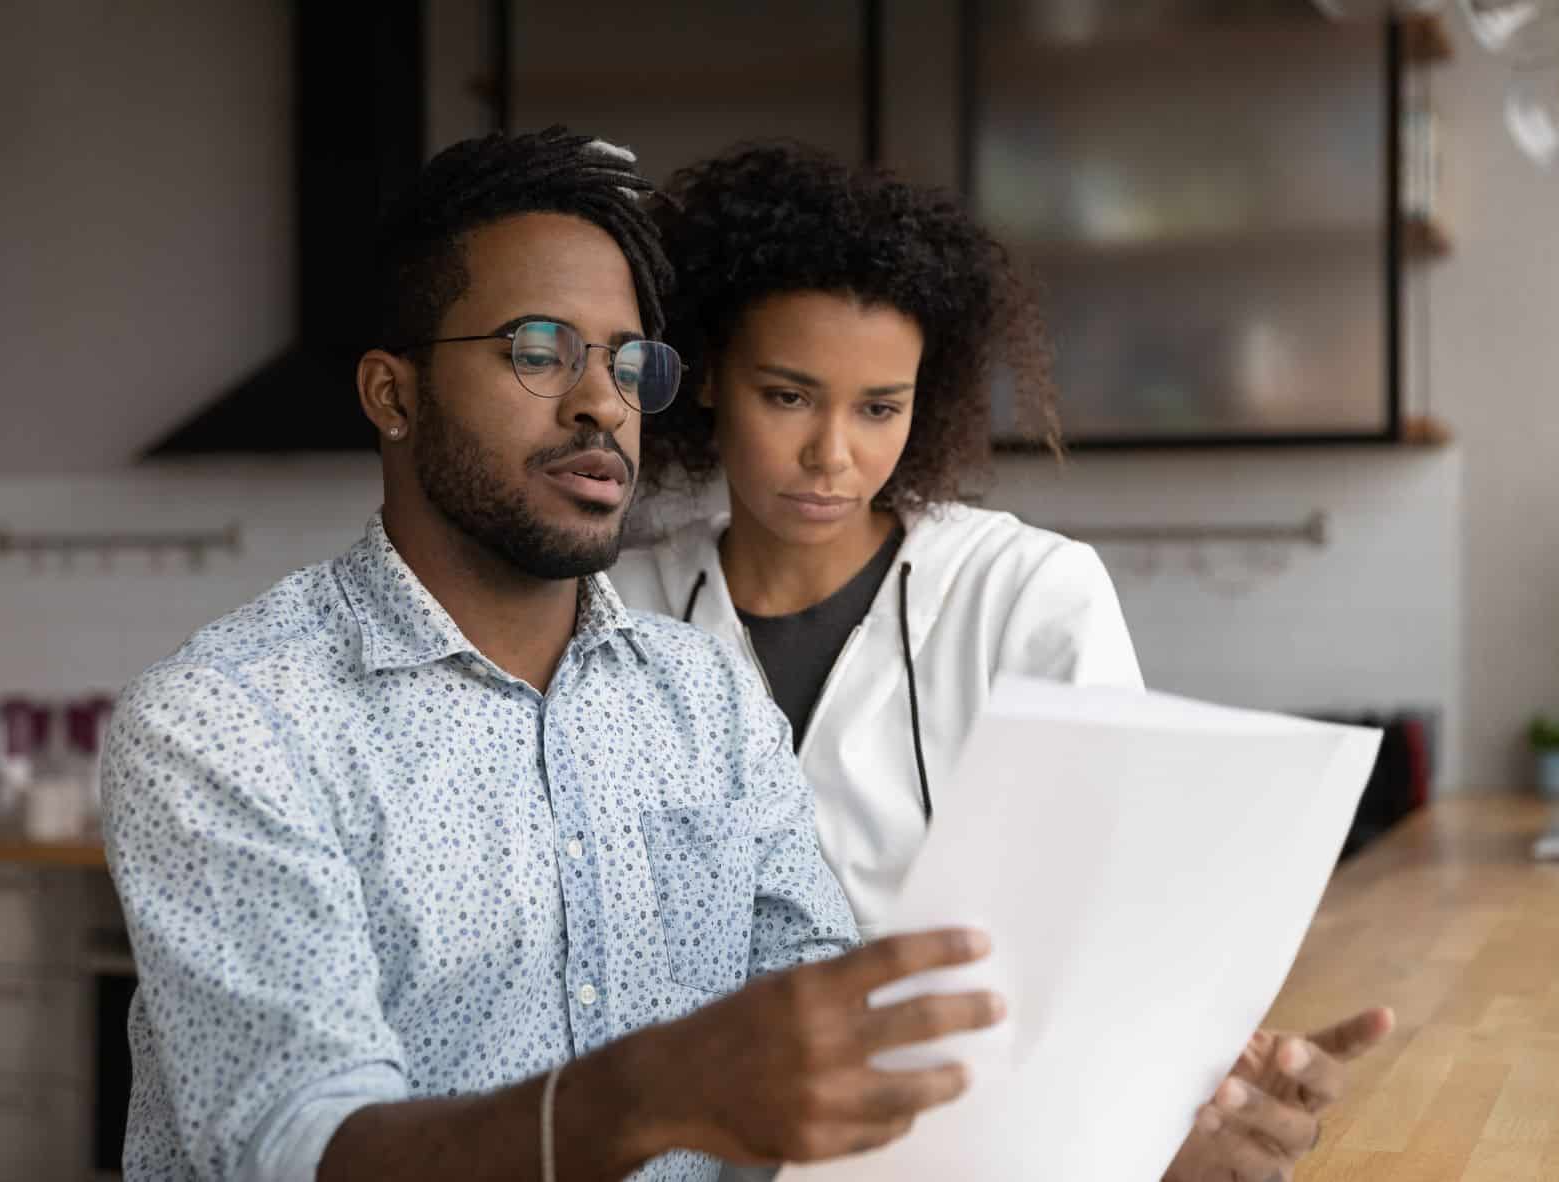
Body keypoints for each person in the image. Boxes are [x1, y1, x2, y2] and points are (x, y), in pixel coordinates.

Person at [99, 128, 1008, 1182]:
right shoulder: (228, 721)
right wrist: (651, 1091)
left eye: (627, 363)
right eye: (538, 351)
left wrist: (1142, 1138)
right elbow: (298, 1149)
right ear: (392, 395)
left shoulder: (706, 698)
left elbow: (852, 1056)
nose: (601, 402)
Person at [610, 142, 1395, 1182]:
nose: (832, 455)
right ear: (709, 376)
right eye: (788, 396)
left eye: (878, 408)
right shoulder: (621, 611)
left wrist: (1190, 1103)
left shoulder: (1028, 594)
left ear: (922, 403)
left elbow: (1114, 923)